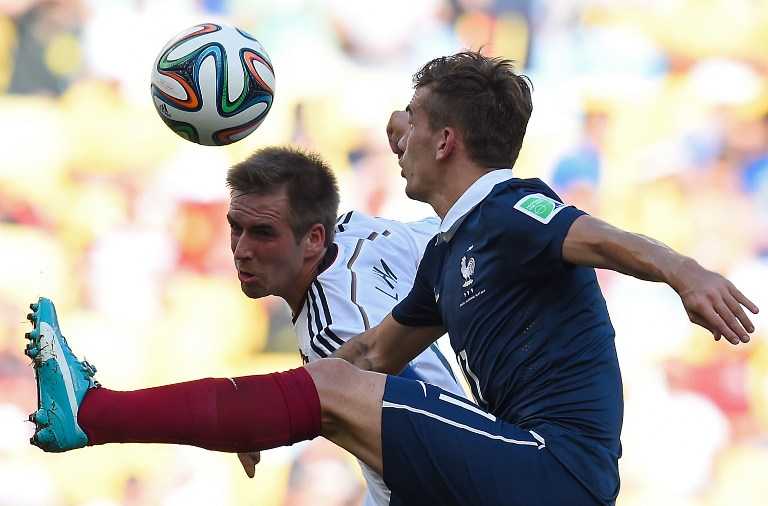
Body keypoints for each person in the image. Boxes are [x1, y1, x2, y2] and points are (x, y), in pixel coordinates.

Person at [24, 51, 758, 506]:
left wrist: (685, 273)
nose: (394, 135)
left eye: (410, 123)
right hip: (520, 464)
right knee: (343, 381)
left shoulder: (507, 206)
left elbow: (590, 234)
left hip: (555, 470)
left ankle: (93, 415)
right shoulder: (446, 253)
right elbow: (372, 356)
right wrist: (260, 419)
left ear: (445, 140)